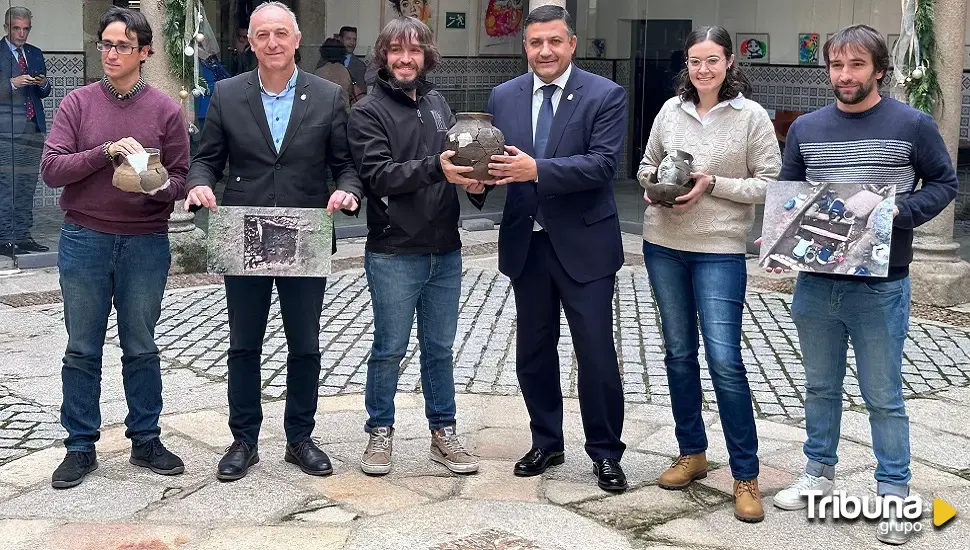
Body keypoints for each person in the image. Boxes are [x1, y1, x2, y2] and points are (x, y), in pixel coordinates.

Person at [771, 24, 958, 545]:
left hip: (883, 284)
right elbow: (790, 195)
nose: (845, 75)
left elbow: (944, 183)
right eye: (836, 66)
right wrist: (781, 240)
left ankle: (894, 494)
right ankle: (818, 473)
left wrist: (898, 212)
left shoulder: (912, 124)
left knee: (883, 395)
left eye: (856, 65)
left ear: (879, 70)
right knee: (819, 387)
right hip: (815, 282)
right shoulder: (806, 128)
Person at [185, 1, 363, 482]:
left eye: (281, 33)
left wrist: (347, 190)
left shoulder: (327, 96)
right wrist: (198, 185)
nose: (272, 43)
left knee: (304, 344)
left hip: (305, 233)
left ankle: (299, 438)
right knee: (245, 343)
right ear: (251, 40)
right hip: (244, 231)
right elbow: (206, 159)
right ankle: (244, 439)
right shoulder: (226, 93)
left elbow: (345, 164)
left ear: (297, 38)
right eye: (262, 34)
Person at [40, 6, 189, 489]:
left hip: (146, 241)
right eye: (106, 43)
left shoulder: (165, 110)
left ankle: (145, 438)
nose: (111, 53)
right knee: (82, 347)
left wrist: (155, 183)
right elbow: (52, 170)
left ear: (145, 52)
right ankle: (80, 445)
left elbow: (182, 180)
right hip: (85, 237)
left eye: (123, 45)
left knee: (141, 345)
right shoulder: (78, 104)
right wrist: (103, 153)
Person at [637, 26, 781, 523]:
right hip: (663, 245)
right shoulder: (669, 111)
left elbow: (770, 183)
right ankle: (692, 452)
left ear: (728, 63)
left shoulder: (751, 117)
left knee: (724, 360)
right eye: (696, 61)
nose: (703, 69)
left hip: (719, 250)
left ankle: (746, 475)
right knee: (678, 353)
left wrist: (712, 183)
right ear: (687, 64)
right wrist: (652, 184)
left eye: (713, 60)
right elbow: (646, 163)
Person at [484, 5, 628, 492]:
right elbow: (492, 162)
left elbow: (604, 165)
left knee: (596, 354)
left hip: (585, 243)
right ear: (525, 48)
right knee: (533, 353)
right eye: (535, 43)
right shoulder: (503, 96)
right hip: (527, 242)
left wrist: (538, 171)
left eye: (554, 42)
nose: (544, 51)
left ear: (571, 44)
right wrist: (475, 183)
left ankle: (606, 451)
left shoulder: (605, 94)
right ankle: (546, 440)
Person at [348, 15, 486, 477]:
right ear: (383, 56)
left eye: (414, 51)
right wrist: (436, 168)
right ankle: (380, 432)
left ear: (426, 56)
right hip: (393, 250)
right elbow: (378, 175)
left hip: (445, 247)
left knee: (440, 349)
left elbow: (458, 163)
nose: (405, 59)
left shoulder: (439, 104)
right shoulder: (368, 110)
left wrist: (478, 182)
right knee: (389, 347)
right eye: (396, 51)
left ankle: (442, 433)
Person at [0, 6, 52, 256]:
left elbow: (44, 92)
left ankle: (23, 235)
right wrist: (13, 83)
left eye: (26, 29)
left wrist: (43, 83)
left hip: (33, 128)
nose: (21, 33)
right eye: (16, 28)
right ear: (6, 27)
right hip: (6, 131)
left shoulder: (35, 53)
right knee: (6, 185)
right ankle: (4, 238)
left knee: (27, 184)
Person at [315, 38, 357, 109]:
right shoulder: (346, 72)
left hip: (323, 114)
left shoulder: (318, 73)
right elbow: (350, 93)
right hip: (343, 114)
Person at [338, 26, 367, 95]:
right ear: (340, 39)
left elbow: (361, 94)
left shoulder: (361, 66)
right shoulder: (326, 60)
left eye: (354, 39)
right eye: (348, 39)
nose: (352, 43)